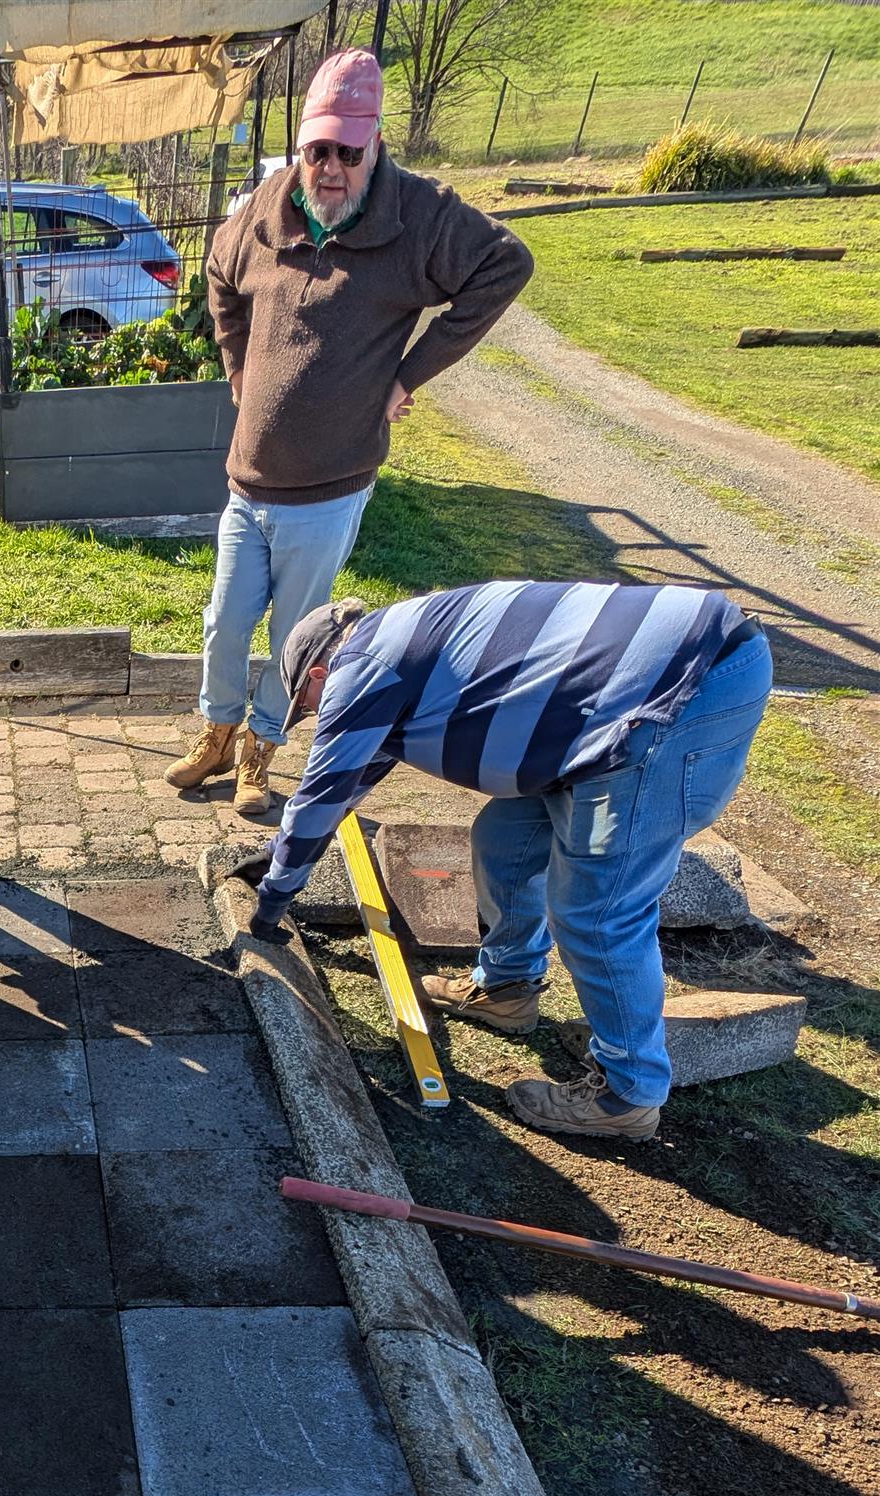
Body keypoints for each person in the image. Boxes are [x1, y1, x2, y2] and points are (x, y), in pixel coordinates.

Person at [248, 581, 773, 1141]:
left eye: (308, 706)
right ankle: (507, 987)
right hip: (612, 699)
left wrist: (274, 900)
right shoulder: (395, 646)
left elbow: (321, 795)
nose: (317, 716)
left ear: (319, 674)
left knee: (598, 912)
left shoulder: (361, 671)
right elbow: (345, 789)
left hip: (681, 687)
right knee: (506, 839)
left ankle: (627, 1093)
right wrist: (279, 857)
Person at [165, 47, 533, 820]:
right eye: (317, 151)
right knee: (224, 623)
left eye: (347, 153)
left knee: (294, 638)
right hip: (248, 480)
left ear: (375, 146)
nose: (330, 169)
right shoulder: (269, 207)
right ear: (301, 146)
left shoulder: (419, 218)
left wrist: (410, 374)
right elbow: (219, 273)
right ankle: (218, 733)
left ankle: (261, 749)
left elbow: (505, 265)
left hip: (328, 490)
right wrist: (237, 363)